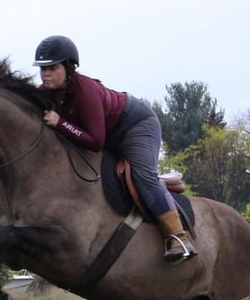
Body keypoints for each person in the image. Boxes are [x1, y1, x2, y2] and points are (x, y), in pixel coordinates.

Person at [33, 35, 197, 265]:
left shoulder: (85, 90)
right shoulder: (46, 92)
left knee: (142, 177)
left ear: (69, 68)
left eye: (52, 68)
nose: (46, 74)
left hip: (135, 126)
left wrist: (60, 123)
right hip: (107, 134)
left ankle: (179, 238)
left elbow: (96, 141)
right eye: (42, 69)